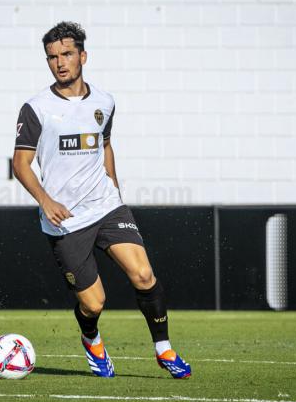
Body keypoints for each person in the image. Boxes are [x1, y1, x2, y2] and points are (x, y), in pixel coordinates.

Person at [12, 21, 190, 379]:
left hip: (106, 206)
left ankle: (164, 350)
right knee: (94, 303)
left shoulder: (105, 102)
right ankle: (91, 338)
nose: (59, 62)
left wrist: (115, 189)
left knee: (143, 275)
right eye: (52, 57)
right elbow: (21, 164)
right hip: (65, 220)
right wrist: (45, 201)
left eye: (66, 54)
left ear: (83, 56)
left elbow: (105, 145)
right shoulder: (36, 108)